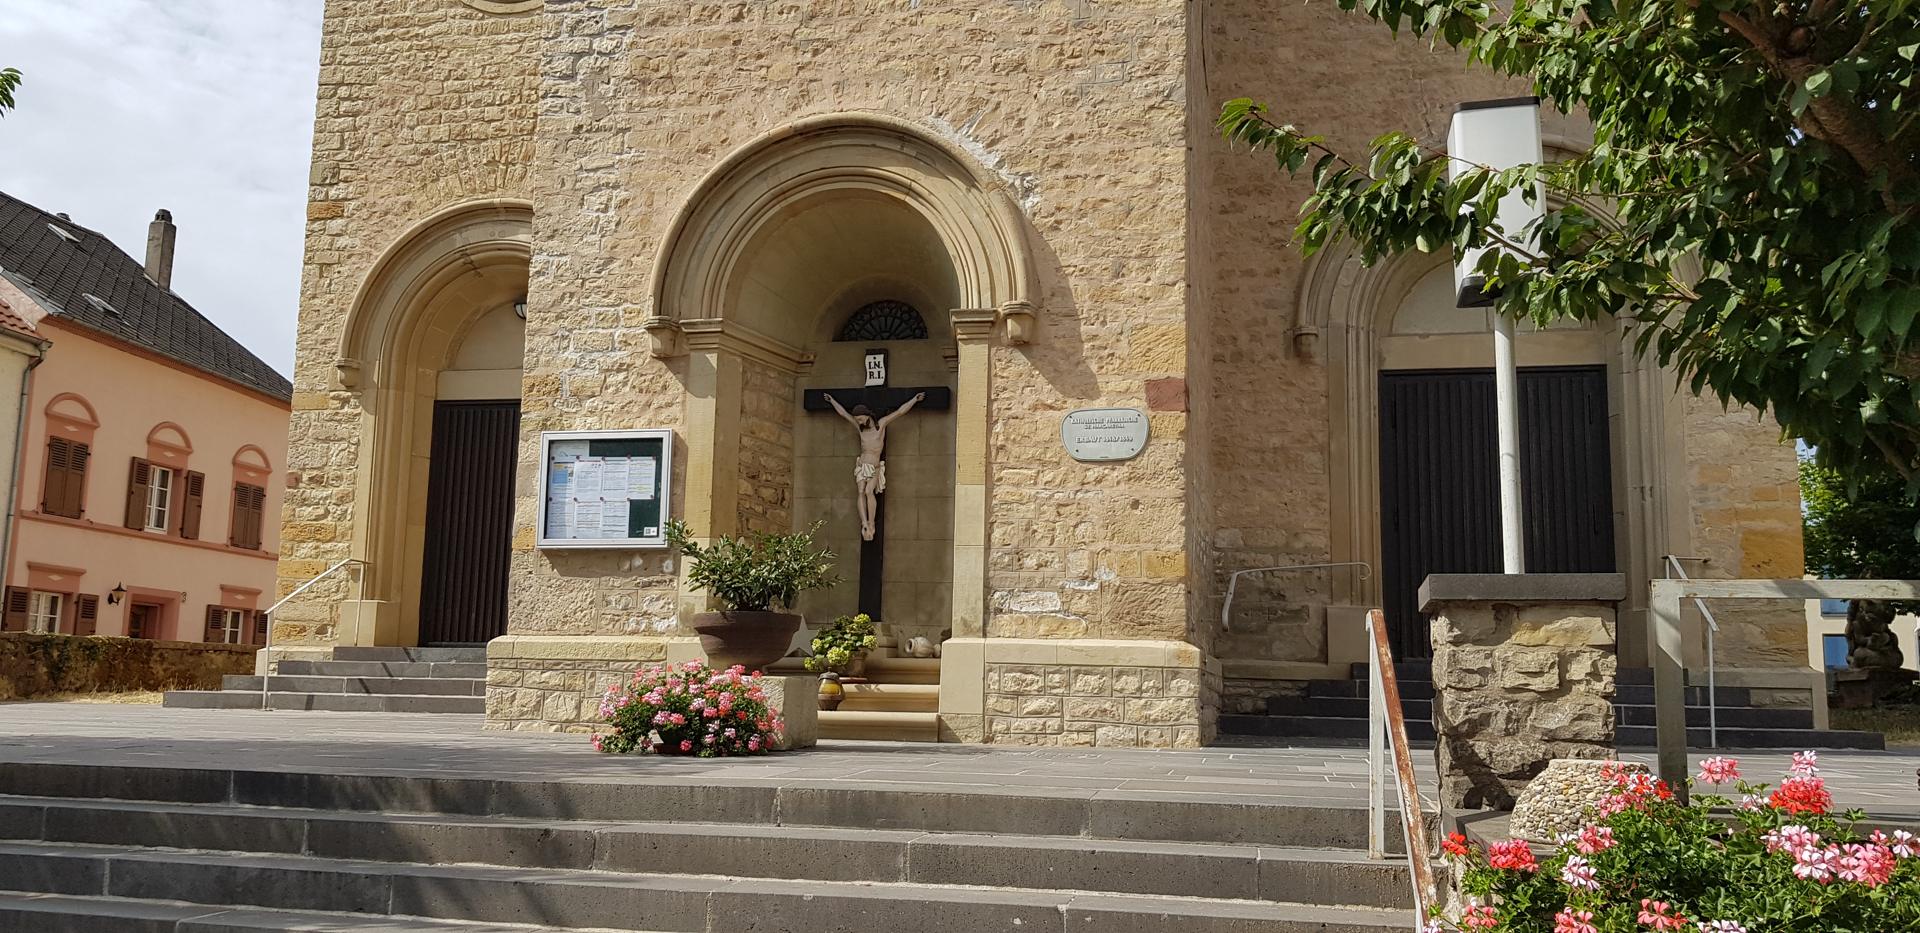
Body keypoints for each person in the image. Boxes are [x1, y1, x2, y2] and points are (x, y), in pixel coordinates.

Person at [825, 391, 925, 540]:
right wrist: (832, 401)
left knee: (868, 491)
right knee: (860, 492)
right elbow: (844, 414)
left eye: (860, 419)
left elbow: (899, 412)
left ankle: (871, 523)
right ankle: (864, 522)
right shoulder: (860, 429)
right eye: (857, 420)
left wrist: (914, 400)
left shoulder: (881, 425)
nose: (859, 422)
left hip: (874, 466)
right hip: (862, 465)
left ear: (867, 416)